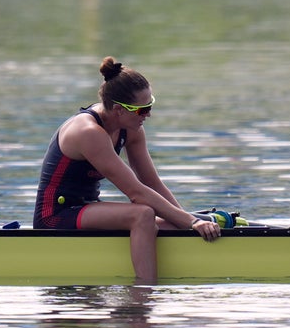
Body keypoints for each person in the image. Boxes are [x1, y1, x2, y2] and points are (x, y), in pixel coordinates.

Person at [33, 56, 221, 284]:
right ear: (120, 110)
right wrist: (192, 223)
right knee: (142, 214)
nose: (148, 115)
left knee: (172, 221)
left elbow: (151, 182)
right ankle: (143, 294)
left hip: (87, 209)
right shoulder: (88, 132)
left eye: (150, 105)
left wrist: (186, 220)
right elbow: (136, 193)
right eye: (142, 110)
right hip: (55, 216)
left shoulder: (130, 127)